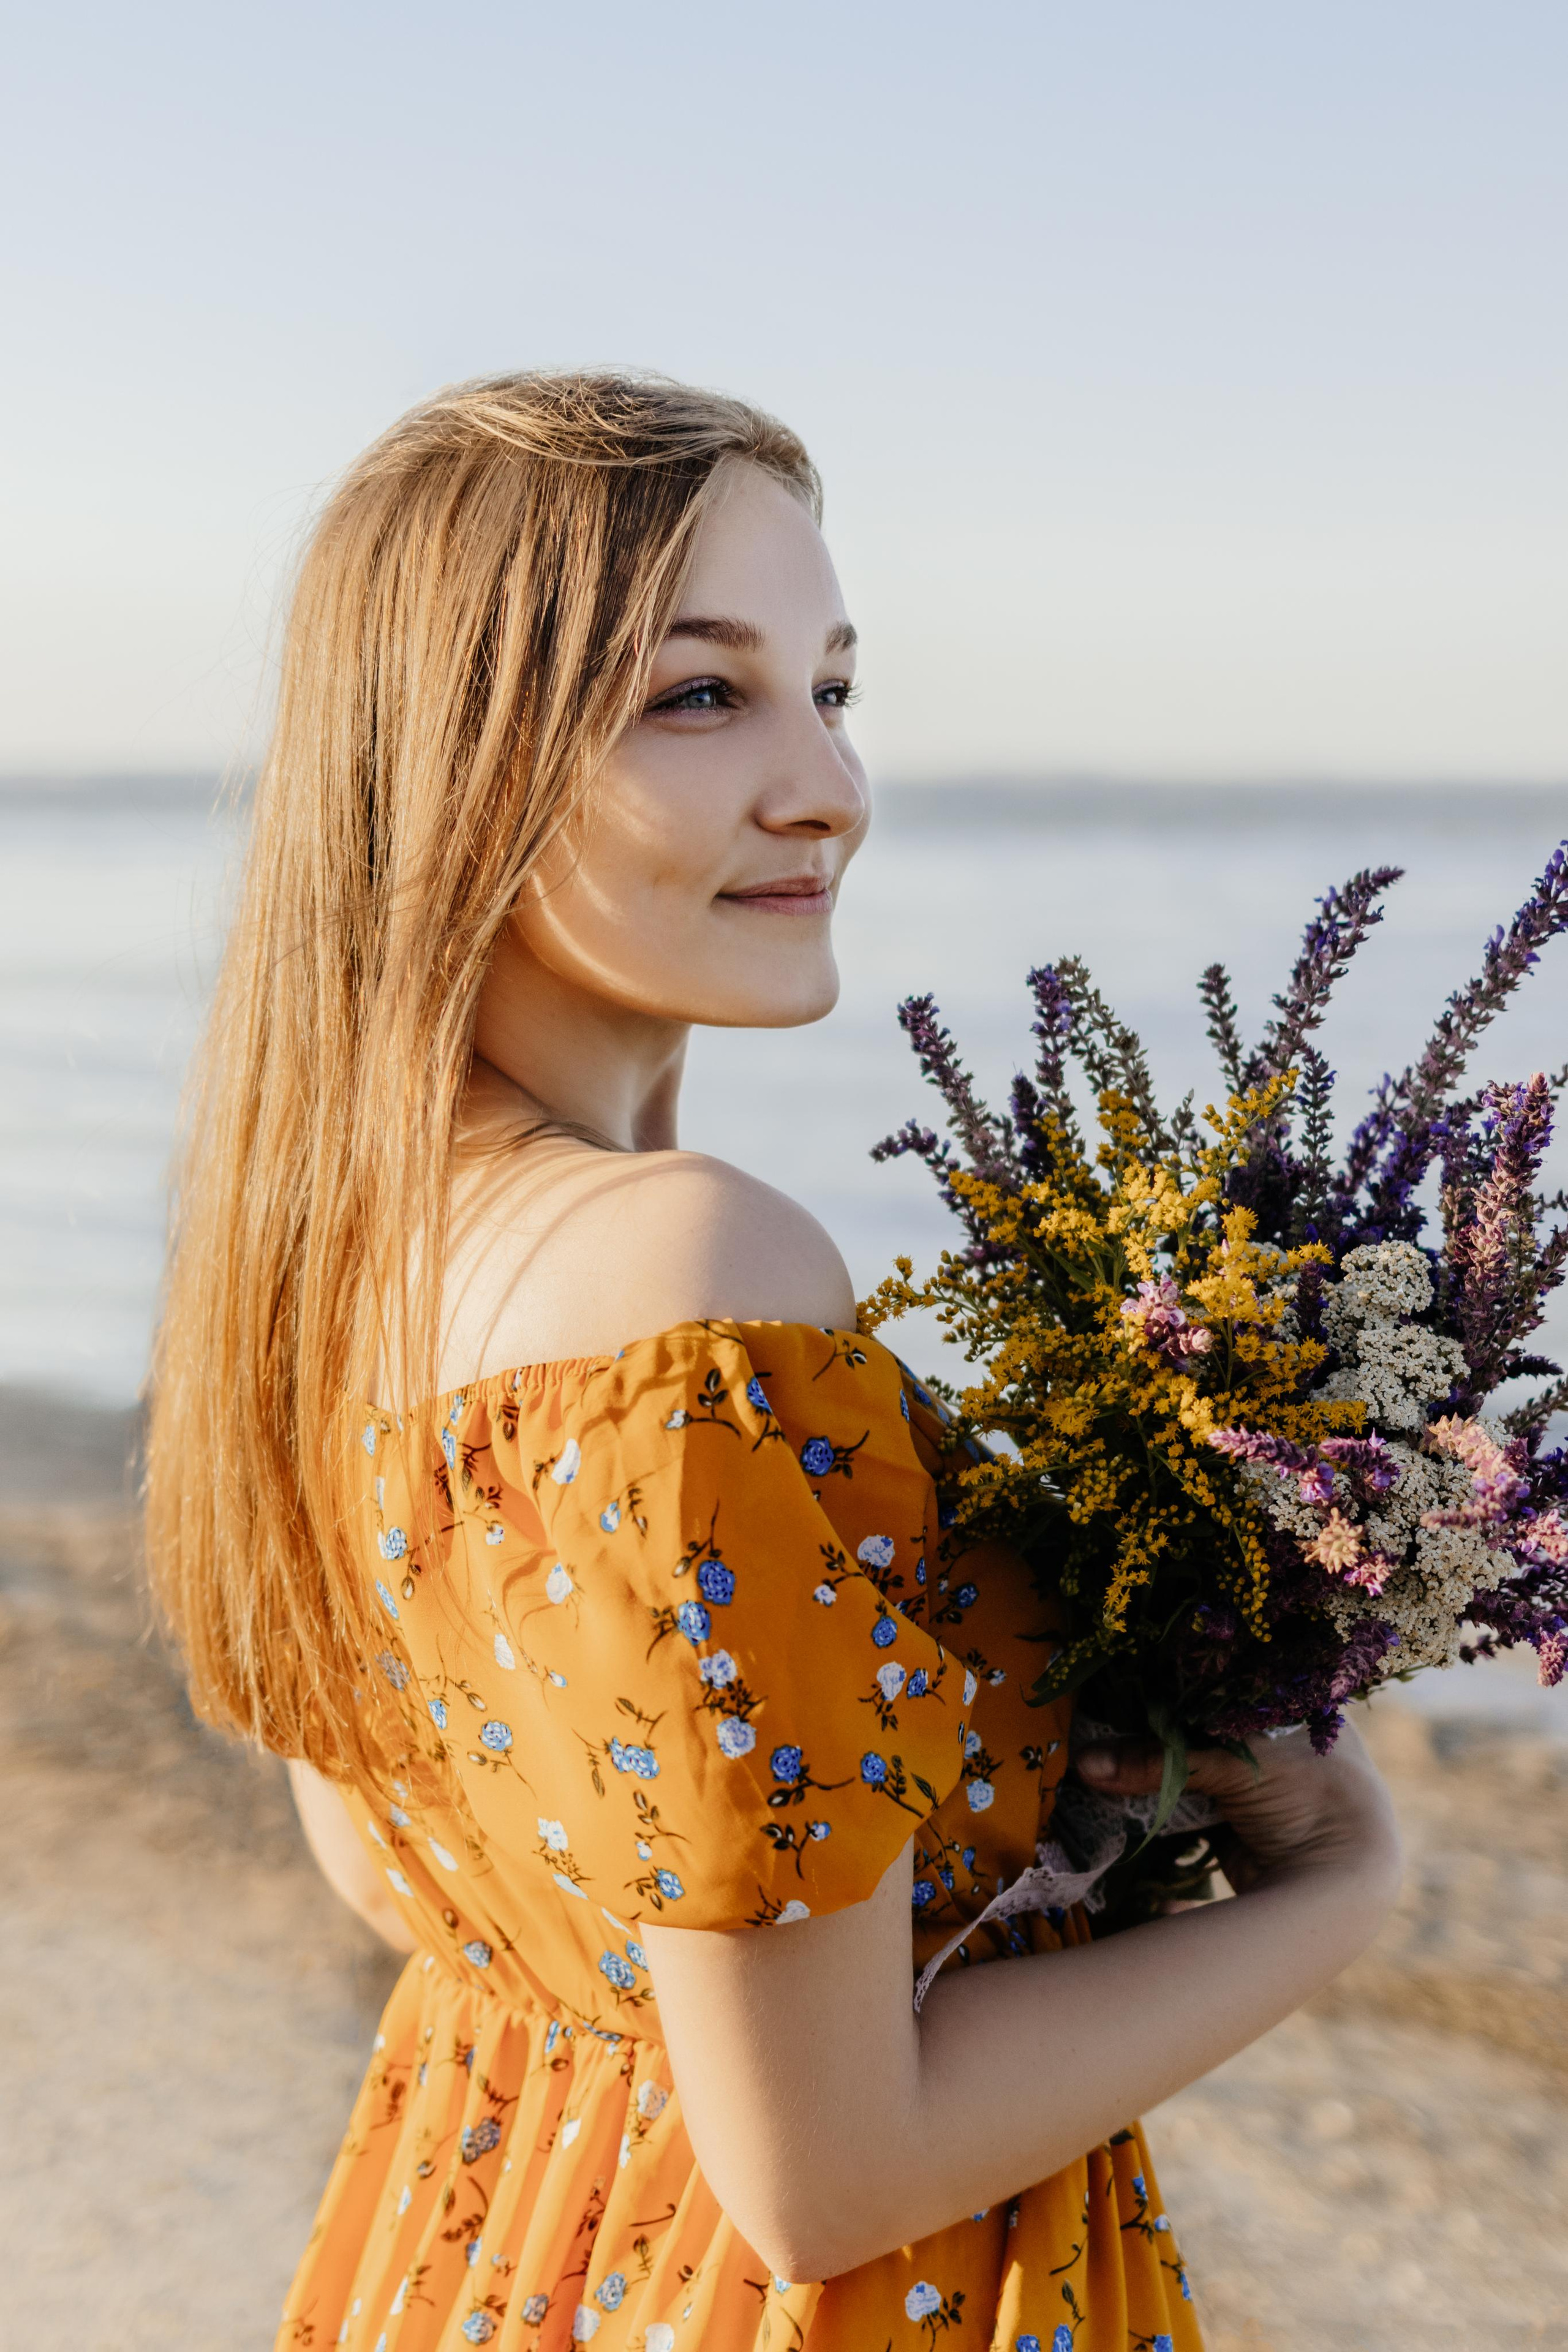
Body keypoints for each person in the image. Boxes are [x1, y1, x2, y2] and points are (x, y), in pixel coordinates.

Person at [145, 372, 1402, 2352]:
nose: (828, 787)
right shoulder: (686, 1282)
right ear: (453, 760)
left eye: (834, 689)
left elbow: (413, 1883)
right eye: (701, 695)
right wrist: (1339, 1875)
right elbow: (826, 2173)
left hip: (502, 2242)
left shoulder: (317, 1267)